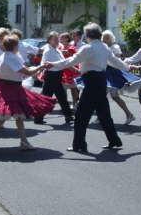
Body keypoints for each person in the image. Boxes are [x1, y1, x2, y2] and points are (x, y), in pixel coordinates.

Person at [47, 23, 130, 153]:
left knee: (81, 116)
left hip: (91, 83)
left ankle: (79, 145)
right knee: (104, 114)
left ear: (87, 35)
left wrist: (51, 64)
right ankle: (114, 140)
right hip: (101, 82)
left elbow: (70, 61)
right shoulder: (104, 47)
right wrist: (128, 67)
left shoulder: (88, 48)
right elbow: (116, 62)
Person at [0, 35, 55, 151]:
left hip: (10, 87)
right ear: (14, 46)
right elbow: (26, 72)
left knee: (19, 116)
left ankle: (24, 141)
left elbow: (0, 72)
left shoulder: (5, 55)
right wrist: (41, 66)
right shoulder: (11, 57)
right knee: (2, 117)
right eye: (17, 44)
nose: (19, 45)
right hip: (10, 89)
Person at [34, 32, 73, 125]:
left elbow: (64, 62)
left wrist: (74, 69)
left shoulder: (57, 50)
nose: (57, 40)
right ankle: (38, 117)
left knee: (61, 97)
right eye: (54, 39)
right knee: (47, 98)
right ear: (49, 40)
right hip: (51, 76)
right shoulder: (48, 51)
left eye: (57, 38)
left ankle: (68, 116)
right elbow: (60, 64)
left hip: (57, 76)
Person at [101, 30, 137, 125]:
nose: (104, 40)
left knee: (112, 96)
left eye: (106, 38)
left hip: (113, 73)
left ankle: (129, 114)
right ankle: (103, 116)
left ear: (110, 38)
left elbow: (116, 60)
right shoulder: (105, 47)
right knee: (105, 96)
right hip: (106, 73)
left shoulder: (115, 47)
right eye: (103, 38)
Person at [59, 32, 80, 109]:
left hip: (71, 70)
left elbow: (71, 56)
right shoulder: (59, 48)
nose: (60, 39)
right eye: (60, 37)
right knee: (63, 89)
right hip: (63, 71)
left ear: (67, 39)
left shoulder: (71, 48)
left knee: (73, 88)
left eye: (62, 37)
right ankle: (65, 105)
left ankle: (75, 104)